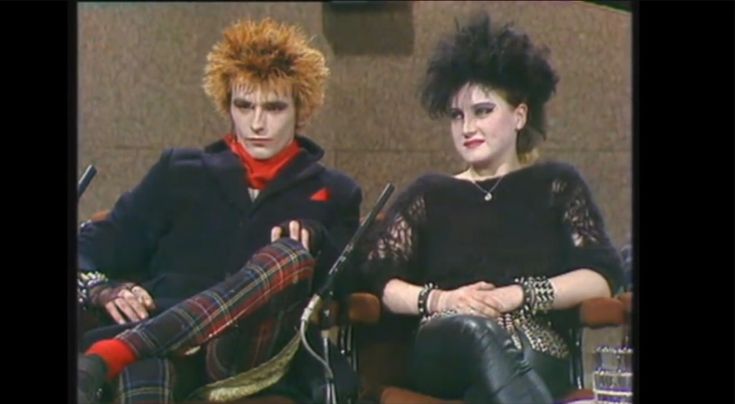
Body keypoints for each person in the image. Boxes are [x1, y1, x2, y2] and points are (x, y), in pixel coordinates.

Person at [77, 18, 362, 403]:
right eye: (244, 106)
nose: (257, 123)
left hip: (252, 350)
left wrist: (318, 242)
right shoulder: (179, 171)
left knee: (290, 253)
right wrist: (101, 289)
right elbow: (91, 246)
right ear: (228, 105)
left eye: (274, 107)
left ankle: (116, 352)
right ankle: (134, 349)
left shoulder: (335, 191)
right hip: (163, 337)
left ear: (300, 110)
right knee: (144, 370)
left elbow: (349, 283)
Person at [357, 14, 624, 403]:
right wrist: (443, 300)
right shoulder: (429, 193)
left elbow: (600, 277)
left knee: (509, 366)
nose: (467, 128)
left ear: (519, 115)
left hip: (535, 343)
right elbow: (382, 282)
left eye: (482, 111)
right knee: (475, 332)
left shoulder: (557, 185)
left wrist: (518, 295)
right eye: (457, 115)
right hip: (447, 341)